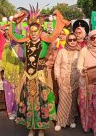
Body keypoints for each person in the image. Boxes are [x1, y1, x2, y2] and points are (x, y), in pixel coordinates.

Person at [9, 8, 70, 136]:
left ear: (40, 31)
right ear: (29, 32)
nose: (34, 34)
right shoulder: (25, 42)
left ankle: (41, 129)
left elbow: (56, 32)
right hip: (28, 77)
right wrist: (14, 21)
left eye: (36, 31)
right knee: (29, 102)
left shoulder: (45, 41)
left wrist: (58, 16)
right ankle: (31, 128)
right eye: (31, 31)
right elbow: (13, 35)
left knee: (42, 102)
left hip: (41, 77)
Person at [54, 33, 81, 131]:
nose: (72, 42)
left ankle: (71, 120)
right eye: (70, 40)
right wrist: (58, 77)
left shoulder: (80, 52)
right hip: (63, 80)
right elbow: (57, 65)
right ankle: (60, 122)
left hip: (75, 81)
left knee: (73, 102)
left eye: (74, 40)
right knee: (63, 101)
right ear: (67, 41)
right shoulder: (62, 51)